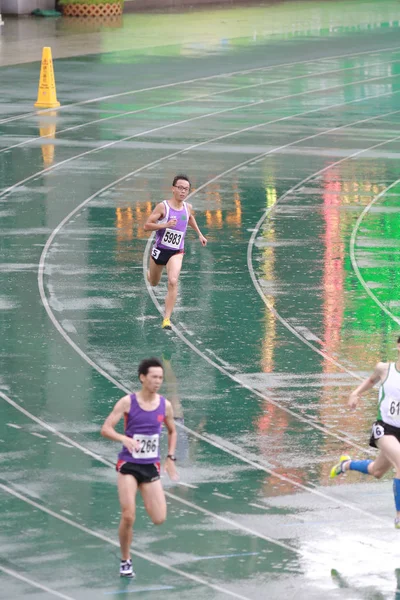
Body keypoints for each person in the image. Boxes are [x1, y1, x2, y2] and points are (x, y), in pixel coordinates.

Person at [101, 357, 178, 578]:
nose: (158, 381)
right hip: (129, 465)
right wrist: (123, 439)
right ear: (142, 377)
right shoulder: (127, 402)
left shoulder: (165, 405)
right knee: (128, 515)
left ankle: (126, 544)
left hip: (150, 467)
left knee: (159, 518)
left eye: (161, 378)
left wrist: (170, 457)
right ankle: (126, 560)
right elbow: (106, 428)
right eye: (153, 377)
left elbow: (172, 431)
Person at [330, 335, 400, 528]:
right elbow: (371, 380)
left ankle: (346, 464)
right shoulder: (385, 369)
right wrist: (355, 393)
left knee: (377, 471)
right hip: (385, 429)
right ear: (398, 346)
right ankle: (399, 516)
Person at [144, 174, 207, 330]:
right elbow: (147, 226)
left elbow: (190, 218)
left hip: (176, 251)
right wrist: (165, 225)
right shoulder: (163, 207)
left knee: (173, 281)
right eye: (180, 188)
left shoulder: (188, 207)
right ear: (173, 189)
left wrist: (200, 234)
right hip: (160, 250)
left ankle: (167, 319)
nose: (183, 191)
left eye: (186, 189)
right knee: (154, 282)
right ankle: (150, 274)